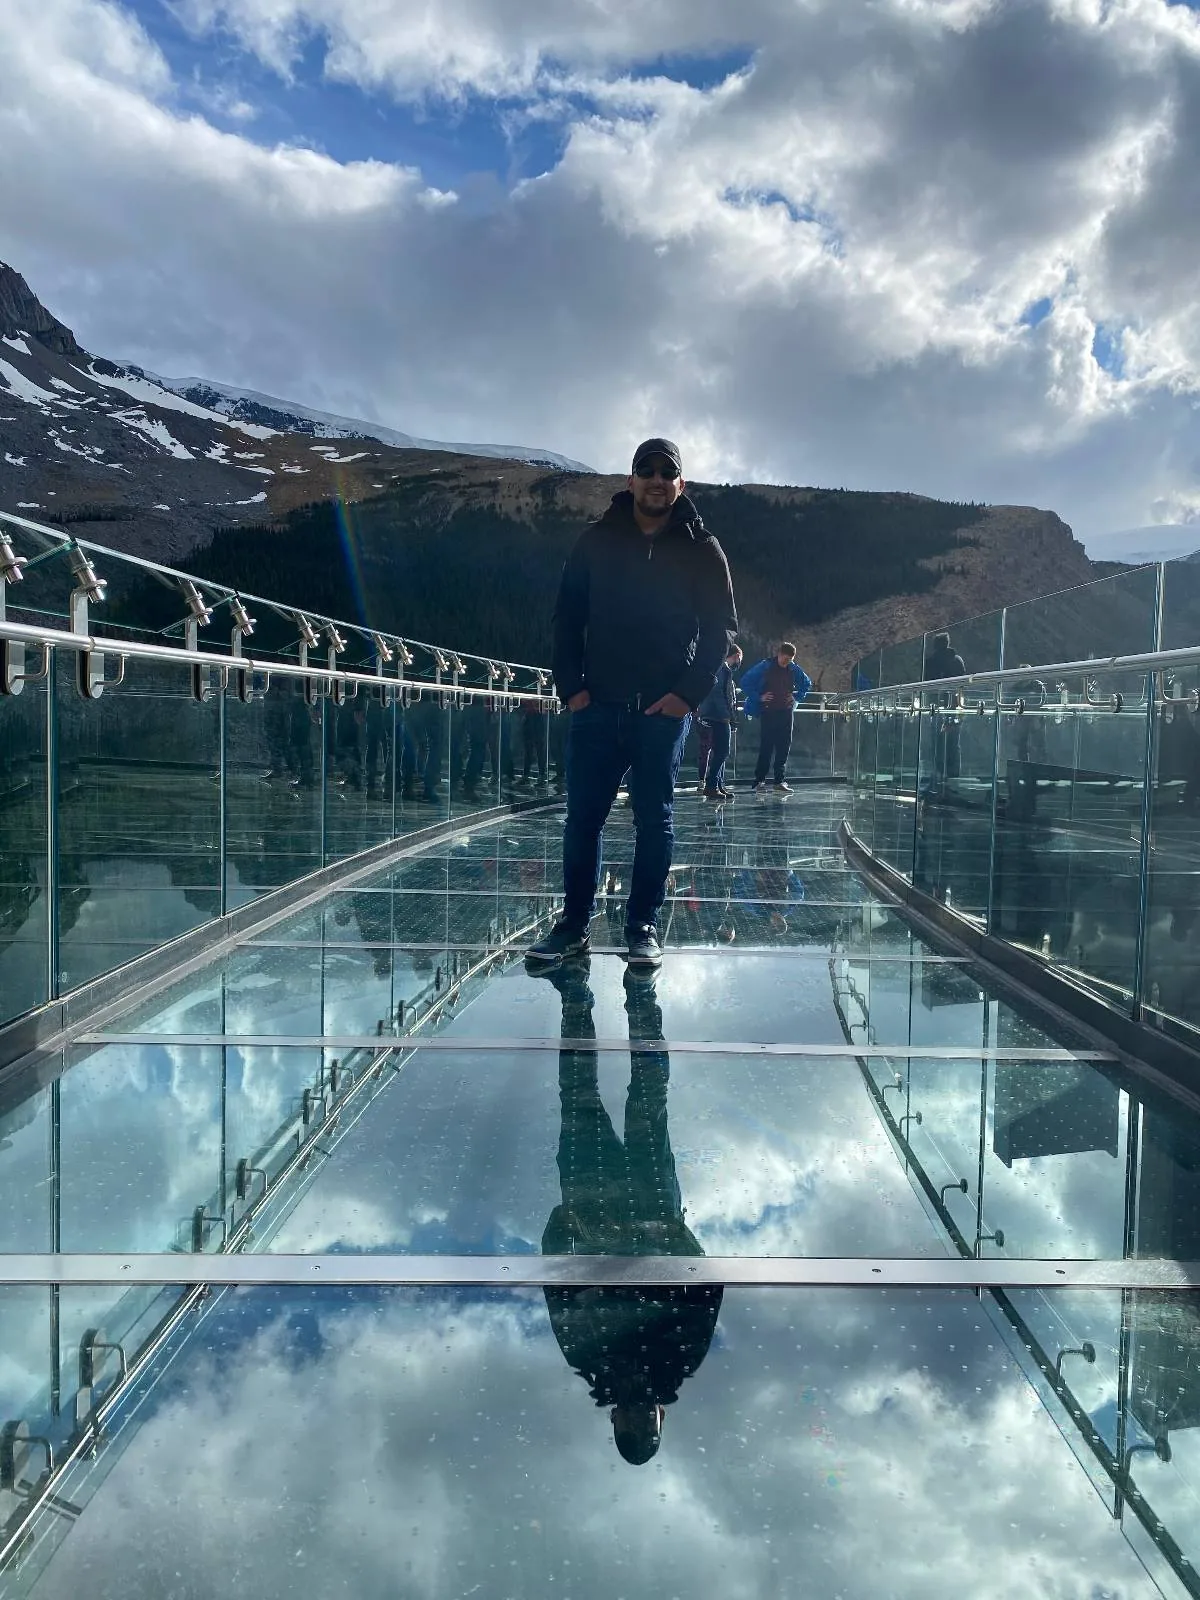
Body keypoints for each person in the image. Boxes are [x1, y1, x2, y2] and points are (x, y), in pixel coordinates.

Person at [527, 438, 737, 970]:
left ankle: (641, 926)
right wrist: (570, 687)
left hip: (660, 714)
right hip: (595, 706)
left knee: (655, 820)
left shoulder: (703, 549)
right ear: (630, 480)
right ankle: (573, 926)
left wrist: (686, 696)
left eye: (668, 473)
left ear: (680, 485)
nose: (656, 479)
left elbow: (719, 632)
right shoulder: (595, 541)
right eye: (646, 470)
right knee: (583, 820)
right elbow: (566, 619)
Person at [538, 960, 723, 1463]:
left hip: (592, 1204)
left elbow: (555, 1286)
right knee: (646, 1098)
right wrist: (671, 1231)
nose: (639, 1416)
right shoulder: (681, 1360)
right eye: (648, 1424)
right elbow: (708, 1283)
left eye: (631, 1425)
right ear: (660, 1419)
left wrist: (561, 1225)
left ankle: (578, 1003)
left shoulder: (588, 1359)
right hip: (650, 1205)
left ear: (615, 1422)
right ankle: (642, 1002)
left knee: (579, 1094)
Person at [740, 642, 812, 793]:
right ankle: (760, 780)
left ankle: (779, 781)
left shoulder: (793, 668)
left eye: (790, 660)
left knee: (784, 746)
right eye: (785, 660)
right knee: (766, 746)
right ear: (779, 654)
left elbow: (806, 683)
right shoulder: (765, 666)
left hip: (786, 712)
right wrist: (759, 697)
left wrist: (797, 696)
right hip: (768, 711)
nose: (787, 663)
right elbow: (745, 682)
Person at [696, 643, 742, 800]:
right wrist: (727, 716)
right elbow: (718, 694)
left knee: (719, 752)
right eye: (739, 659)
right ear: (736, 656)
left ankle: (718, 785)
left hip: (712, 714)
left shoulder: (722, 669)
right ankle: (711, 785)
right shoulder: (723, 670)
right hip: (718, 716)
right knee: (723, 751)